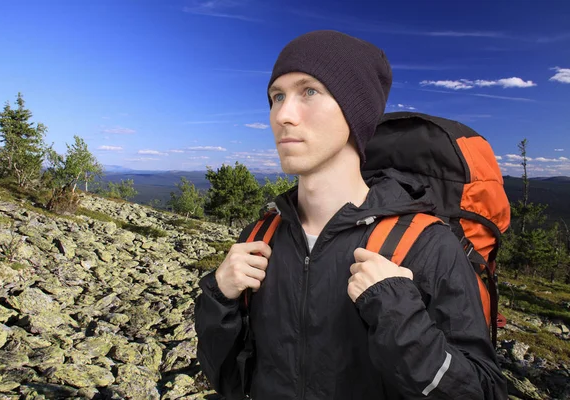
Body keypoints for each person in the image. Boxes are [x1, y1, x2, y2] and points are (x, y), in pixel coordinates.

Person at [194, 30, 508, 400]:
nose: (282, 115)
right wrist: (218, 298)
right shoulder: (260, 238)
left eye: (309, 91)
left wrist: (398, 315)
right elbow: (229, 382)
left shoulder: (426, 244)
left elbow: (483, 391)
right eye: (276, 96)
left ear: (355, 110)